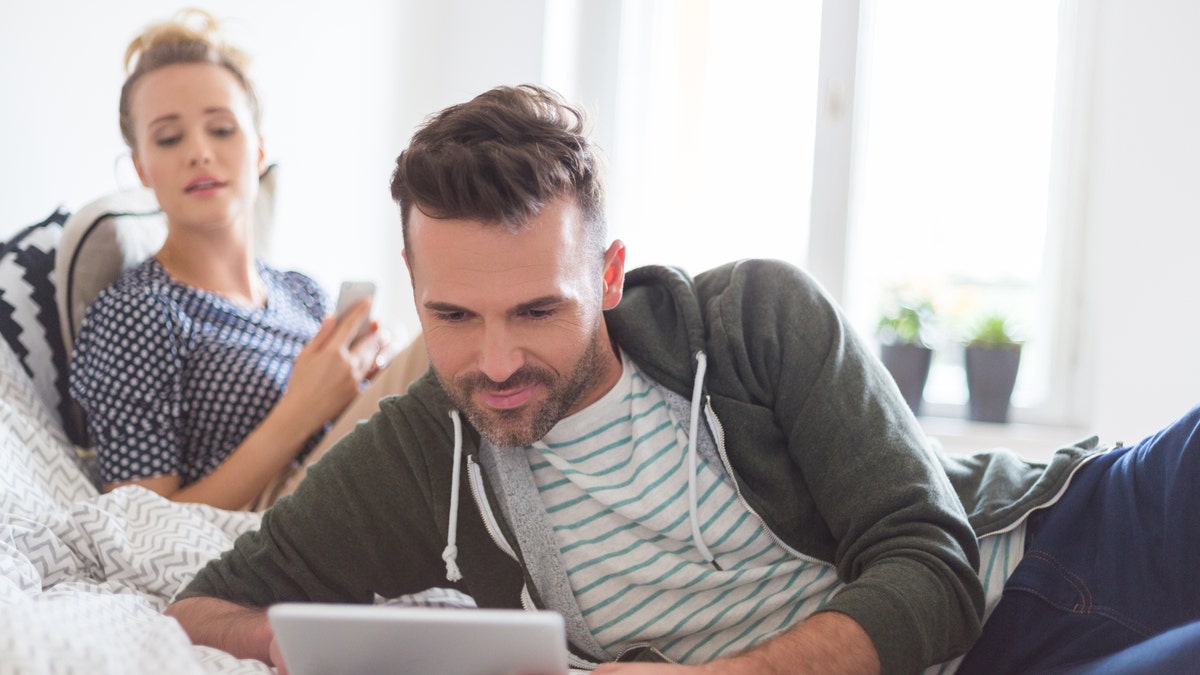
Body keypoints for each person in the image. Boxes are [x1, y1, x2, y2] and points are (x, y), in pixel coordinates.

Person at [165, 84, 1200, 674]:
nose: (493, 364)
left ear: (608, 276)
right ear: (414, 286)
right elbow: (205, 609)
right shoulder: (414, 451)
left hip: (1069, 536)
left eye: (537, 311)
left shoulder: (754, 320)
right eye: (451, 317)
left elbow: (931, 571)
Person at [67, 9, 426, 511]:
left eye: (221, 129)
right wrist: (300, 410)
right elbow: (141, 526)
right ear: (141, 169)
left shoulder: (302, 294)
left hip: (356, 483)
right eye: (169, 138)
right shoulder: (138, 314)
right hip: (268, 525)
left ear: (258, 151)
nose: (199, 152)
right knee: (443, 349)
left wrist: (364, 383)